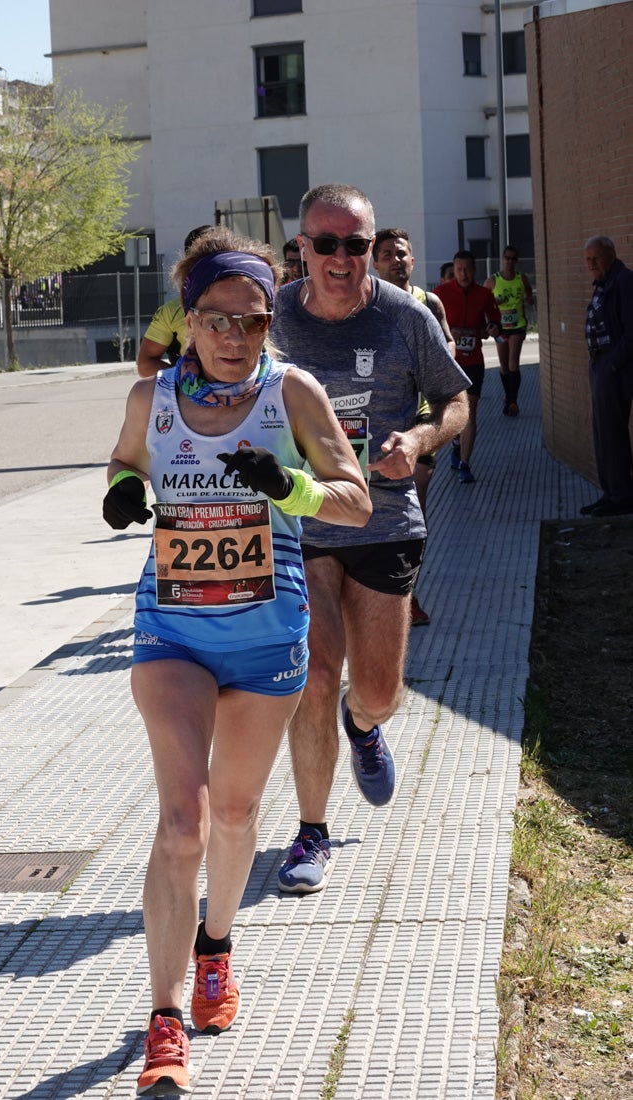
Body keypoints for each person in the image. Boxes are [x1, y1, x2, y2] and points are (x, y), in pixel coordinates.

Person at [104, 226, 371, 1094]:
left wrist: (287, 486)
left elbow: (355, 499)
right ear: (186, 321)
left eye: (251, 322)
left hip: (266, 637)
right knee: (183, 819)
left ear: (268, 325)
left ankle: (217, 944)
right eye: (216, 320)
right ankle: (164, 1016)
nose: (232, 338)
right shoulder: (152, 398)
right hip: (172, 629)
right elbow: (126, 455)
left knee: (236, 813)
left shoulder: (290, 392)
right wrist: (121, 486)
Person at [270, 184, 470, 894]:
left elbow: (454, 398)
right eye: (324, 243)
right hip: (299, 527)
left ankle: (364, 726)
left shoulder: (404, 317)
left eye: (353, 244)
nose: (340, 257)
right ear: (302, 249)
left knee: (377, 691)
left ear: (371, 246)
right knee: (313, 676)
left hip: (384, 519)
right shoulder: (271, 320)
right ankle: (310, 832)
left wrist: (417, 439)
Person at [372, 227, 457, 627]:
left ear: (413, 259)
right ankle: (376, 592)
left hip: (421, 420)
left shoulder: (429, 302)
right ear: (375, 263)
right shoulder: (366, 305)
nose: (395, 260)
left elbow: (449, 346)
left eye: (401, 253)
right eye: (386, 254)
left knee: (413, 510)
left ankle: (407, 594)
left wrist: (435, 364)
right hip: (379, 421)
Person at [435, 250, 502, 484]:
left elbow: (494, 319)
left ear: (474, 270)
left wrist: (493, 328)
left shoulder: (483, 294)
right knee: (452, 411)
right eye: (459, 269)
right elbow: (429, 321)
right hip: (450, 363)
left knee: (470, 413)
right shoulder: (440, 293)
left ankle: (465, 463)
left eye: (467, 269)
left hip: (474, 362)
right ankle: (455, 442)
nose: (463, 273)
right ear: (454, 270)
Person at [579, 235, 633, 516]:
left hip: (614, 369)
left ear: (611, 254)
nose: (591, 264)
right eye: (587, 259)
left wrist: (612, 365)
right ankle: (610, 492)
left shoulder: (623, 281)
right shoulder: (603, 283)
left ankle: (622, 496)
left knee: (612, 434)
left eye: (596, 258)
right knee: (602, 433)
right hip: (600, 366)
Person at [136, 225, 211, 378]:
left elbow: (145, 365)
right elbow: (145, 364)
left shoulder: (252, 300)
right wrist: (186, 378)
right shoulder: (173, 311)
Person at [484, 245, 534, 416]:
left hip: (518, 326)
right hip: (500, 329)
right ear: (502, 259)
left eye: (513, 259)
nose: (510, 262)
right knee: (504, 365)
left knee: (513, 363)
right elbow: (483, 302)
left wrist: (529, 299)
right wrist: (494, 303)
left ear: (517, 261)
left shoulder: (522, 278)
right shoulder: (493, 280)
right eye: (507, 258)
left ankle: (513, 402)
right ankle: (508, 397)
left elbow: (529, 294)